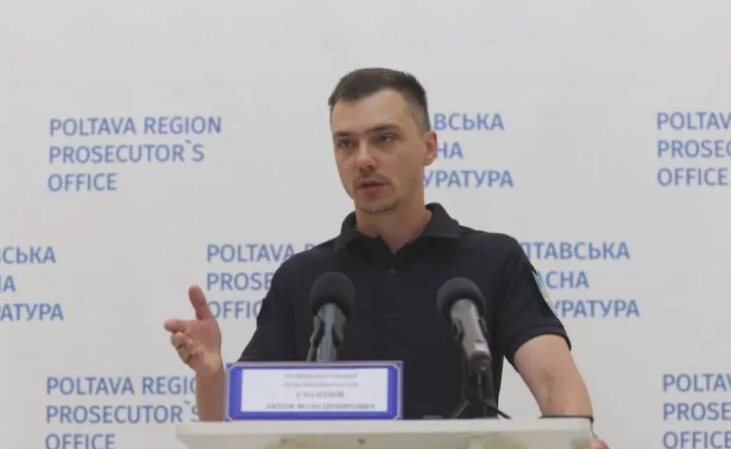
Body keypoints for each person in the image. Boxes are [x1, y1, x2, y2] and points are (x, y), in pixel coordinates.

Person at [164, 67, 609, 448]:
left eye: (384, 139)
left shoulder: (492, 260)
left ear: (429, 147)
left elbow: (554, 381)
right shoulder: (305, 279)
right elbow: (233, 427)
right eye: (346, 144)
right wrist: (211, 372)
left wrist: (579, 439)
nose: (363, 160)